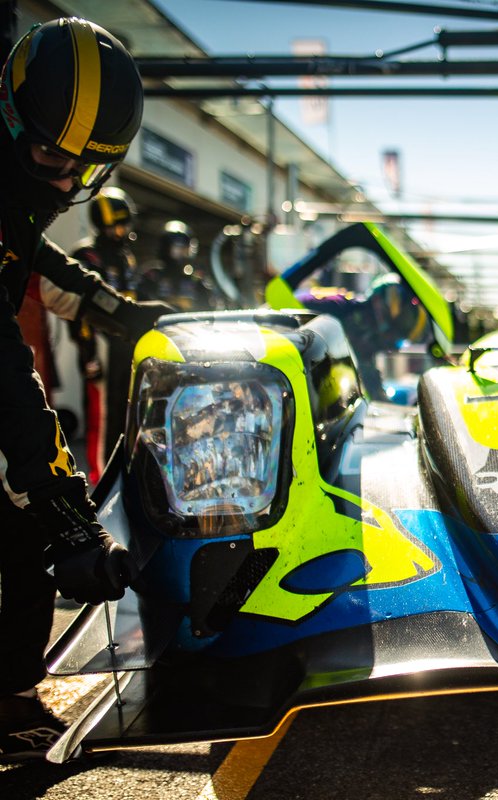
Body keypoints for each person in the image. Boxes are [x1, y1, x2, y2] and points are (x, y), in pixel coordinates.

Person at [0, 18, 173, 760]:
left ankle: (7, 694)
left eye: (86, 168)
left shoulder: (17, 185)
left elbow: (28, 253)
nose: (65, 182)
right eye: (50, 155)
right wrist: (64, 505)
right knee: (25, 527)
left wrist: (119, 314)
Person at [69, 187, 141, 484]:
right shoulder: (86, 255)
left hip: (127, 348)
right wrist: (87, 354)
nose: (123, 231)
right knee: (101, 417)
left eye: (125, 224)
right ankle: (99, 481)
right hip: (99, 348)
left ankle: (121, 475)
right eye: (117, 225)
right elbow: (80, 310)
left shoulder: (127, 258)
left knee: (124, 416)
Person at [301, 275, 429, 401]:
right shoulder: (336, 307)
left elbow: (378, 400)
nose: (390, 346)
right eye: (394, 335)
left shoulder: (366, 362)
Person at [137, 220, 220, 312]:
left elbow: (208, 310)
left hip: (188, 325)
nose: (181, 253)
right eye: (176, 247)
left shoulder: (195, 280)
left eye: (184, 248)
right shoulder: (152, 276)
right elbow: (141, 306)